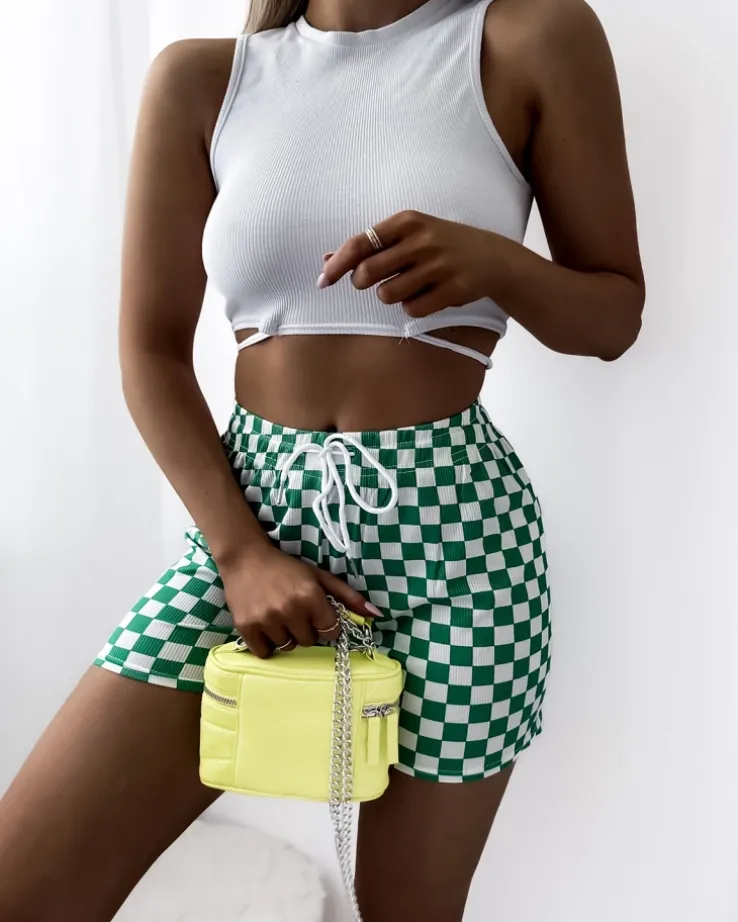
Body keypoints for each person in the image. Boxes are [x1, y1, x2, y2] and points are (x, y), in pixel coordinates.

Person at [0, 1, 644, 920]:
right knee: (25, 886)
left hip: (461, 544)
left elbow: (614, 316)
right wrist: (239, 554)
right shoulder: (203, 80)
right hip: (249, 518)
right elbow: (148, 351)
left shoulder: (530, 38)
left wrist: (496, 264)